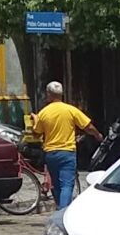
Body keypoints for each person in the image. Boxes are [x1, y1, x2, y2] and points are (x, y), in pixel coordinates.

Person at [28, 81, 100, 209]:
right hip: (67, 153)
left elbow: (36, 132)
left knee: (56, 184)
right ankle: (62, 212)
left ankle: (60, 207)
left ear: (49, 94)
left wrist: (35, 120)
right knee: (67, 184)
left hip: (50, 153)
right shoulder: (70, 110)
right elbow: (88, 127)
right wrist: (97, 135)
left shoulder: (44, 113)